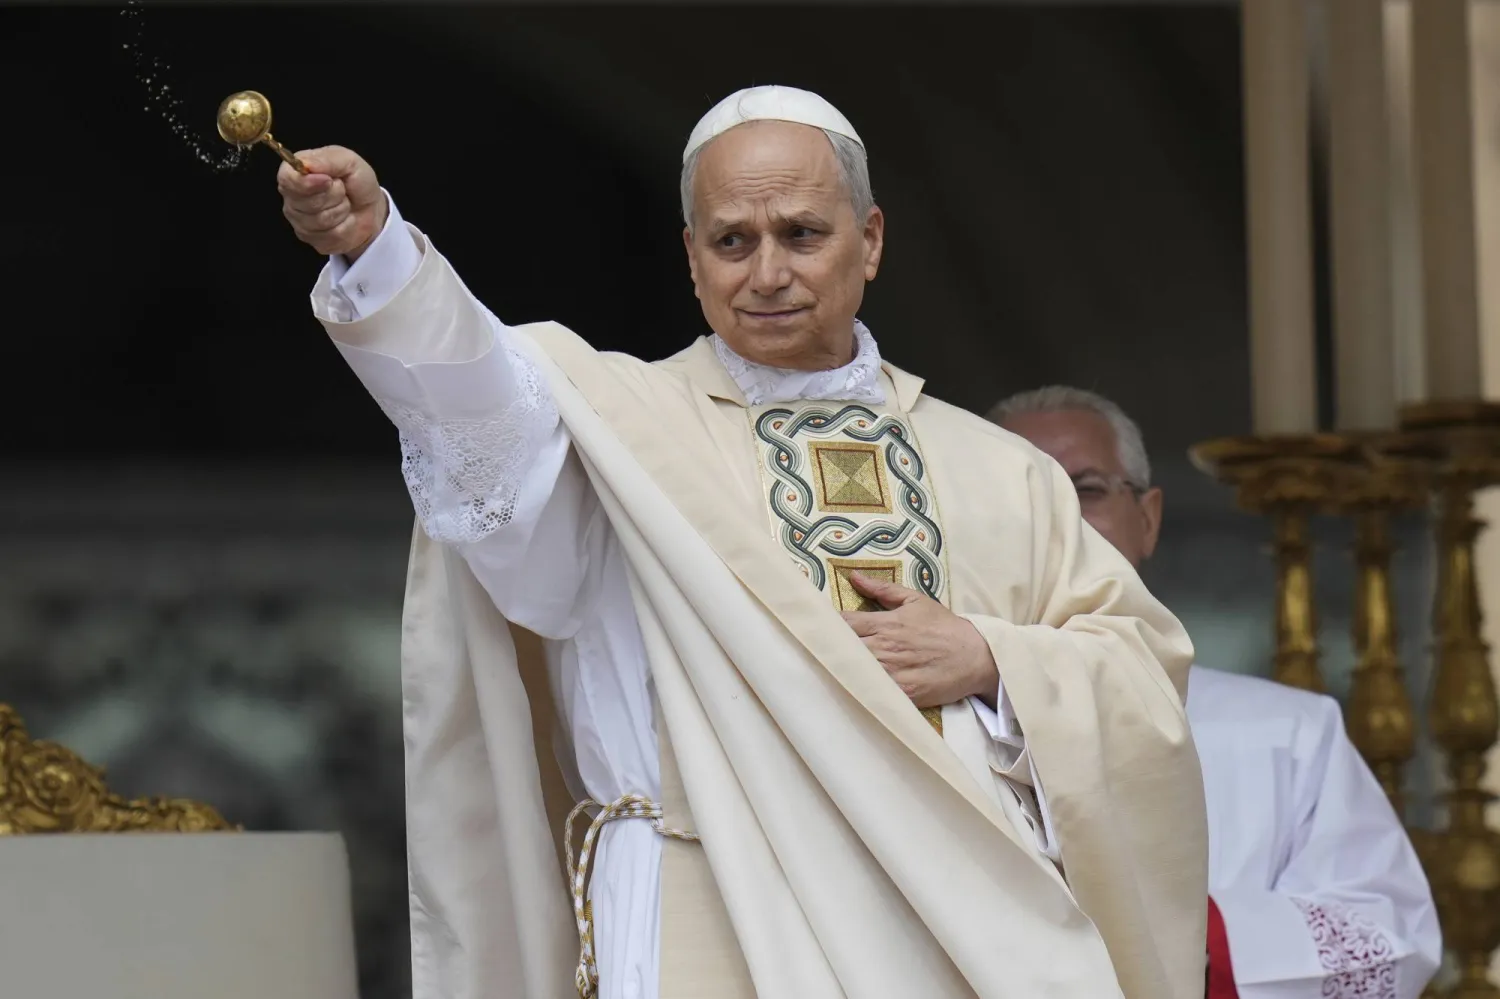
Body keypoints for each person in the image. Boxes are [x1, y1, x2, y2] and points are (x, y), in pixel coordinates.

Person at [276, 85, 1209, 999]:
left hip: (956, 931)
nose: (767, 273)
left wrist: (989, 658)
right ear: (692, 256)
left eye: (801, 234)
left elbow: (1142, 676)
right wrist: (378, 252)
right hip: (699, 898)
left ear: (870, 239)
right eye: (732, 241)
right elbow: (471, 396)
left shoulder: (1005, 473)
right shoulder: (615, 430)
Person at [989, 385, 1442, 999]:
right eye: (1019, 492)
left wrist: (1187, 936)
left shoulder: (1288, 733)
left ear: (1148, 519)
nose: (1056, 520)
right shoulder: (928, 722)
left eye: (1086, 489)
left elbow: (1390, 937)